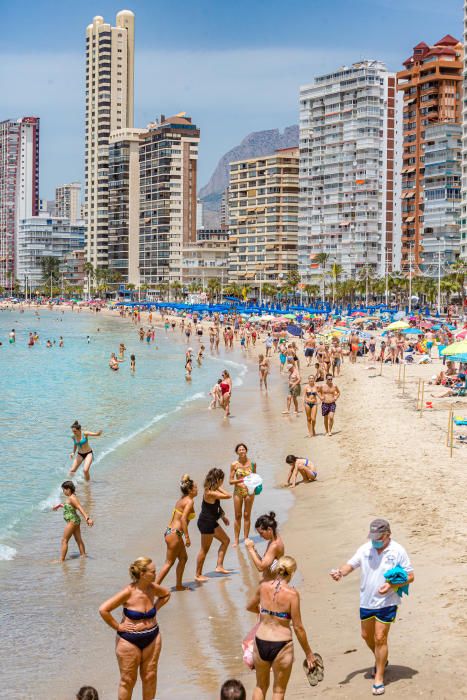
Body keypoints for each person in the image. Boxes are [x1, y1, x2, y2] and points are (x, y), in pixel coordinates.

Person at [330, 519, 414, 696]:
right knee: (366, 636)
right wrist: (340, 572)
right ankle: (382, 659)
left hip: (387, 602)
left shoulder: (398, 550)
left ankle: (379, 677)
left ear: (388, 535)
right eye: (373, 537)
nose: (375, 541)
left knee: (380, 637)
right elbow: (350, 565)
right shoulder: (365, 549)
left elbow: (410, 575)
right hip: (366, 601)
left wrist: (391, 586)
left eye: (379, 538)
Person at [99, 557, 170, 700]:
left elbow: (166, 594)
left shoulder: (152, 588)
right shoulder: (128, 592)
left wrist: (155, 609)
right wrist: (118, 626)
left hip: (153, 637)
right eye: (153, 572)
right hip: (129, 641)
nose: (156, 574)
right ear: (142, 574)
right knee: (128, 680)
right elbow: (103, 609)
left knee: (150, 676)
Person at [247, 556, 317, 699]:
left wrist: (267, 615)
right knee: (278, 691)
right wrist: (309, 653)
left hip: (261, 641)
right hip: (282, 645)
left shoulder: (263, 586)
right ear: (292, 573)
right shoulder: (292, 595)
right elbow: (298, 627)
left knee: (260, 685)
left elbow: (250, 606)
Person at [156, 474, 198, 590]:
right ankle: (153, 588)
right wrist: (187, 537)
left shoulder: (182, 499)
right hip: (175, 534)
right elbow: (184, 519)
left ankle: (179, 585)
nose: (197, 489)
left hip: (171, 532)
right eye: (195, 488)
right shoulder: (189, 502)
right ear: (190, 490)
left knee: (183, 558)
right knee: (169, 563)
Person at [195, 468, 232, 581]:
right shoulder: (210, 492)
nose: (223, 482)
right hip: (206, 523)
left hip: (211, 522)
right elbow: (228, 495)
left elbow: (215, 506)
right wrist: (219, 485)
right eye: (222, 480)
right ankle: (198, 574)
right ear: (219, 480)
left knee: (226, 540)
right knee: (204, 550)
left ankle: (219, 566)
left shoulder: (212, 490)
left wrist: (223, 517)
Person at [53, 480, 93, 561]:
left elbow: (79, 508)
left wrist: (87, 518)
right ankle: (83, 556)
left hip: (72, 521)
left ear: (68, 489)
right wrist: (60, 505)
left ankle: (61, 560)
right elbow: (70, 507)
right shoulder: (71, 497)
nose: (63, 491)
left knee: (64, 540)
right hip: (75, 520)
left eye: (64, 490)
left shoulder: (72, 498)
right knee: (78, 539)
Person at [229, 443, 256, 547]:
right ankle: (236, 540)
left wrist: (253, 485)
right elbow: (230, 481)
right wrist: (240, 481)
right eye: (239, 450)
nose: (242, 451)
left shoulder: (252, 463)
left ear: (246, 450)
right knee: (238, 515)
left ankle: (246, 538)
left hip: (250, 491)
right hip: (238, 491)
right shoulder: (234, 464)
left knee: (247, 515)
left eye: (243, 449)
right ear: (237, 452)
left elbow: (255, 477)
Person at [244, 512, 285, 580]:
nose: (260, 536)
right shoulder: (273, 540)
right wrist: (254, 551)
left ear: (269, 530)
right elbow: (264, 563)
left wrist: (251, 550)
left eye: (261, 533)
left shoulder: (274, 545)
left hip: (273, 584)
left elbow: (261, 568)